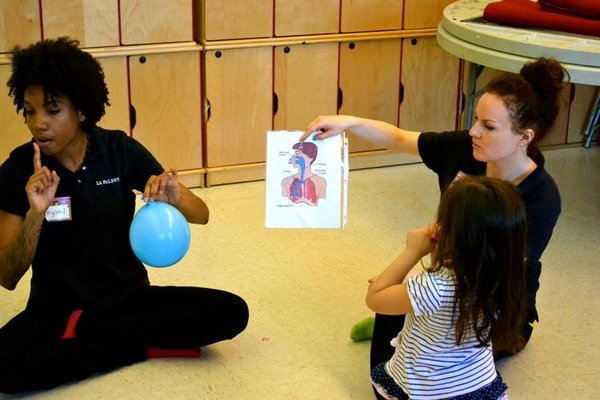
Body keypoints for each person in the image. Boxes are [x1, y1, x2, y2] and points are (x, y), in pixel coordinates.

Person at [0, 37, 249, 394]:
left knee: (232, 311)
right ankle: (135, 345)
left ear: (82, 110)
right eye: (29, 110)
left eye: (53, 110)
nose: (38, 123)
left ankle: (99, 339)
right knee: (5, 369)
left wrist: (175, 195)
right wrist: (35, 215)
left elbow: (202, 215)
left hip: (129, 301)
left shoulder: (118, 150)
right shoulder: (18, 168)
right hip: (57, 308)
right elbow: (6, 275)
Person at [303, 57, 564, 389]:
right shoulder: (467, 149)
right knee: (398, 309)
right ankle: (411, 323)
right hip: (447, 279)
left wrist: (418, 274)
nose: (474, 131)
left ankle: (412, 325)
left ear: (524, 137)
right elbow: (399, 138)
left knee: (413, 347)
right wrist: (349, 121)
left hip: (495, 307)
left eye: (489, 126)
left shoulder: (542, 197)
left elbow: (499, 270)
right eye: (475, 121)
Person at [367, 176, 527, 400]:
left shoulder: (435, 288)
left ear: (454, 235)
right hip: (479, 385)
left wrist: (412, 251)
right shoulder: (506, 274)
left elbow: (375, 298)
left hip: (429, 390)